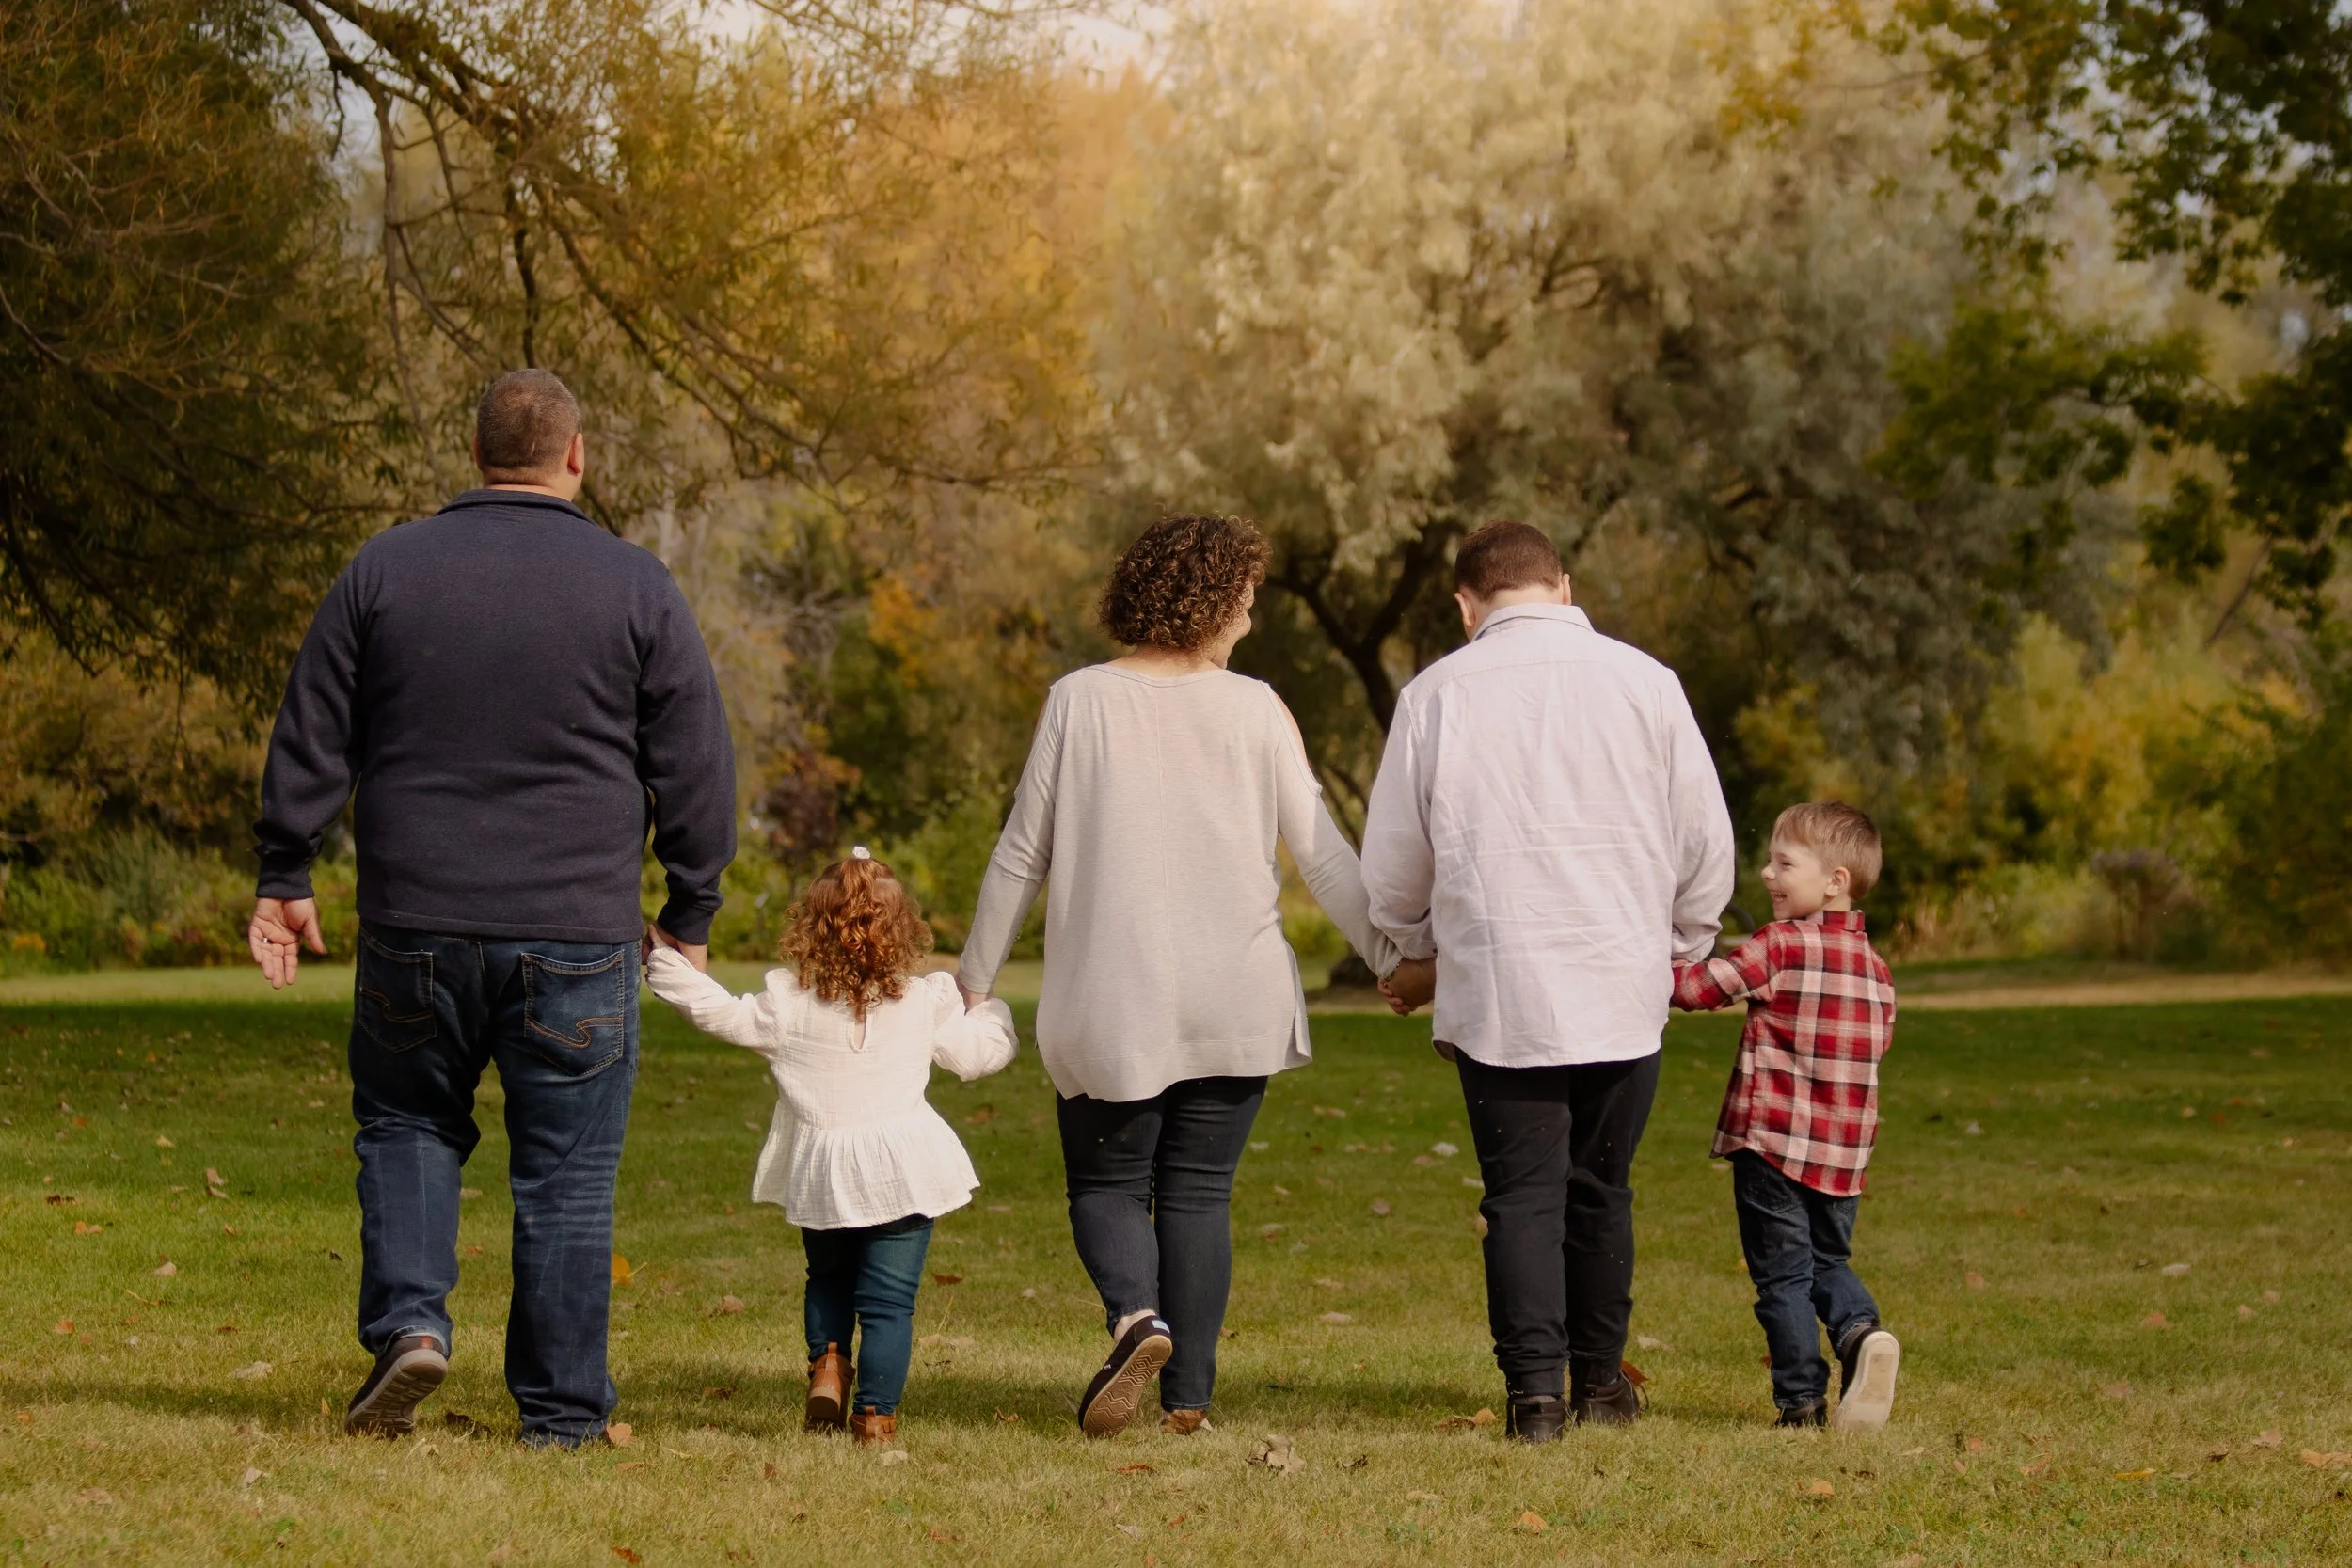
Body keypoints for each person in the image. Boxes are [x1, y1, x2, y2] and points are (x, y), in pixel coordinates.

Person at [246, 369, 736, 1447]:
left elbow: (313, 725)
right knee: (565, 1172)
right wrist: (690, 904)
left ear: (476, 456)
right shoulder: (634, 583)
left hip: (416, 921)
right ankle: (560, 1414)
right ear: (576, 455)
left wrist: (286, 871)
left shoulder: (384, 568)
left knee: (408, 1121)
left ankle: (412, 1324)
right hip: (576, 931)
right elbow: (695, 760)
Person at [958, 515, 1405, 1439]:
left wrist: (973, 977)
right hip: (1234, 992)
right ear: (1212, 595)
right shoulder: (1257, 707)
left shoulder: (1079, 700)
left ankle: (1136, 1318)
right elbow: (1323, 856)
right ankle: (1187, 1400)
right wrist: (1394, 959)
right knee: (1200, 1191)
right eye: (1244, 589)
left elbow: (1019, 855)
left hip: (1115, 994)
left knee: (1108, 1184)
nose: (1250, 607)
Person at [1362, 519, 1734, 1443]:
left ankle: (1534, 1395)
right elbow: (1702, 837)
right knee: (1602, 1189)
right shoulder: (1648, 683)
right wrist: (1683, 942)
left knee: (1519, 1194)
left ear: (1464, 602)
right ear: (1562, 586)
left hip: (1500, 983)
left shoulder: (1433, 694)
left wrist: (1411, 948)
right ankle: (1603, 1383)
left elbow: (1394, 864)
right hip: (1620, 973)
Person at [644, 849, 1017, 1446]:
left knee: (827, 1277)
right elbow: (975, 1057)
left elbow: (717, 1013)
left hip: (823, 1170)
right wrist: (992, 1014)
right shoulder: (922, 1001)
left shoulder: (787, 1004)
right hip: (904, 1174)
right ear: (902, 931)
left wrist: (664, 964)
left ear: (811, 928)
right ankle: (875, 1418)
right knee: (890, 1304)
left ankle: (827, 1364)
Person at [1671, 801, 1900, 1431]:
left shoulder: (1780, 945)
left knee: (1783, 1277)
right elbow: (1877, 1045)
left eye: (1783, 862)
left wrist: (1639, 967)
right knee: (1828, 1263)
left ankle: (1800, 1404)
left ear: (1835, 881)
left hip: (1773, 1146)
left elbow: (1697, 988)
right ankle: (1859, 1333)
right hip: (1843, 1157)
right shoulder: (1877, 971)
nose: (1767, 873)